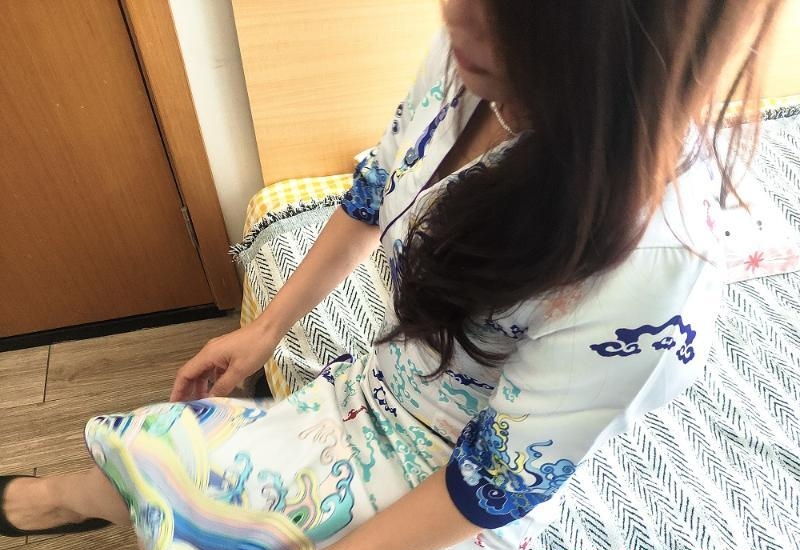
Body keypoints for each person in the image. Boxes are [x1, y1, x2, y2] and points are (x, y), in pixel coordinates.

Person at [0, 1, 783, 549]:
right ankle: (62, 499)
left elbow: (491, 485)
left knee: (185, 471)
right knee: (167, 447)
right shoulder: (474, 54)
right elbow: (375, 191)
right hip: (376, 386)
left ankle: (59, 501)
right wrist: (266, 330)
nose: (456, 14)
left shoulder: (656, 270)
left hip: (446, 489)